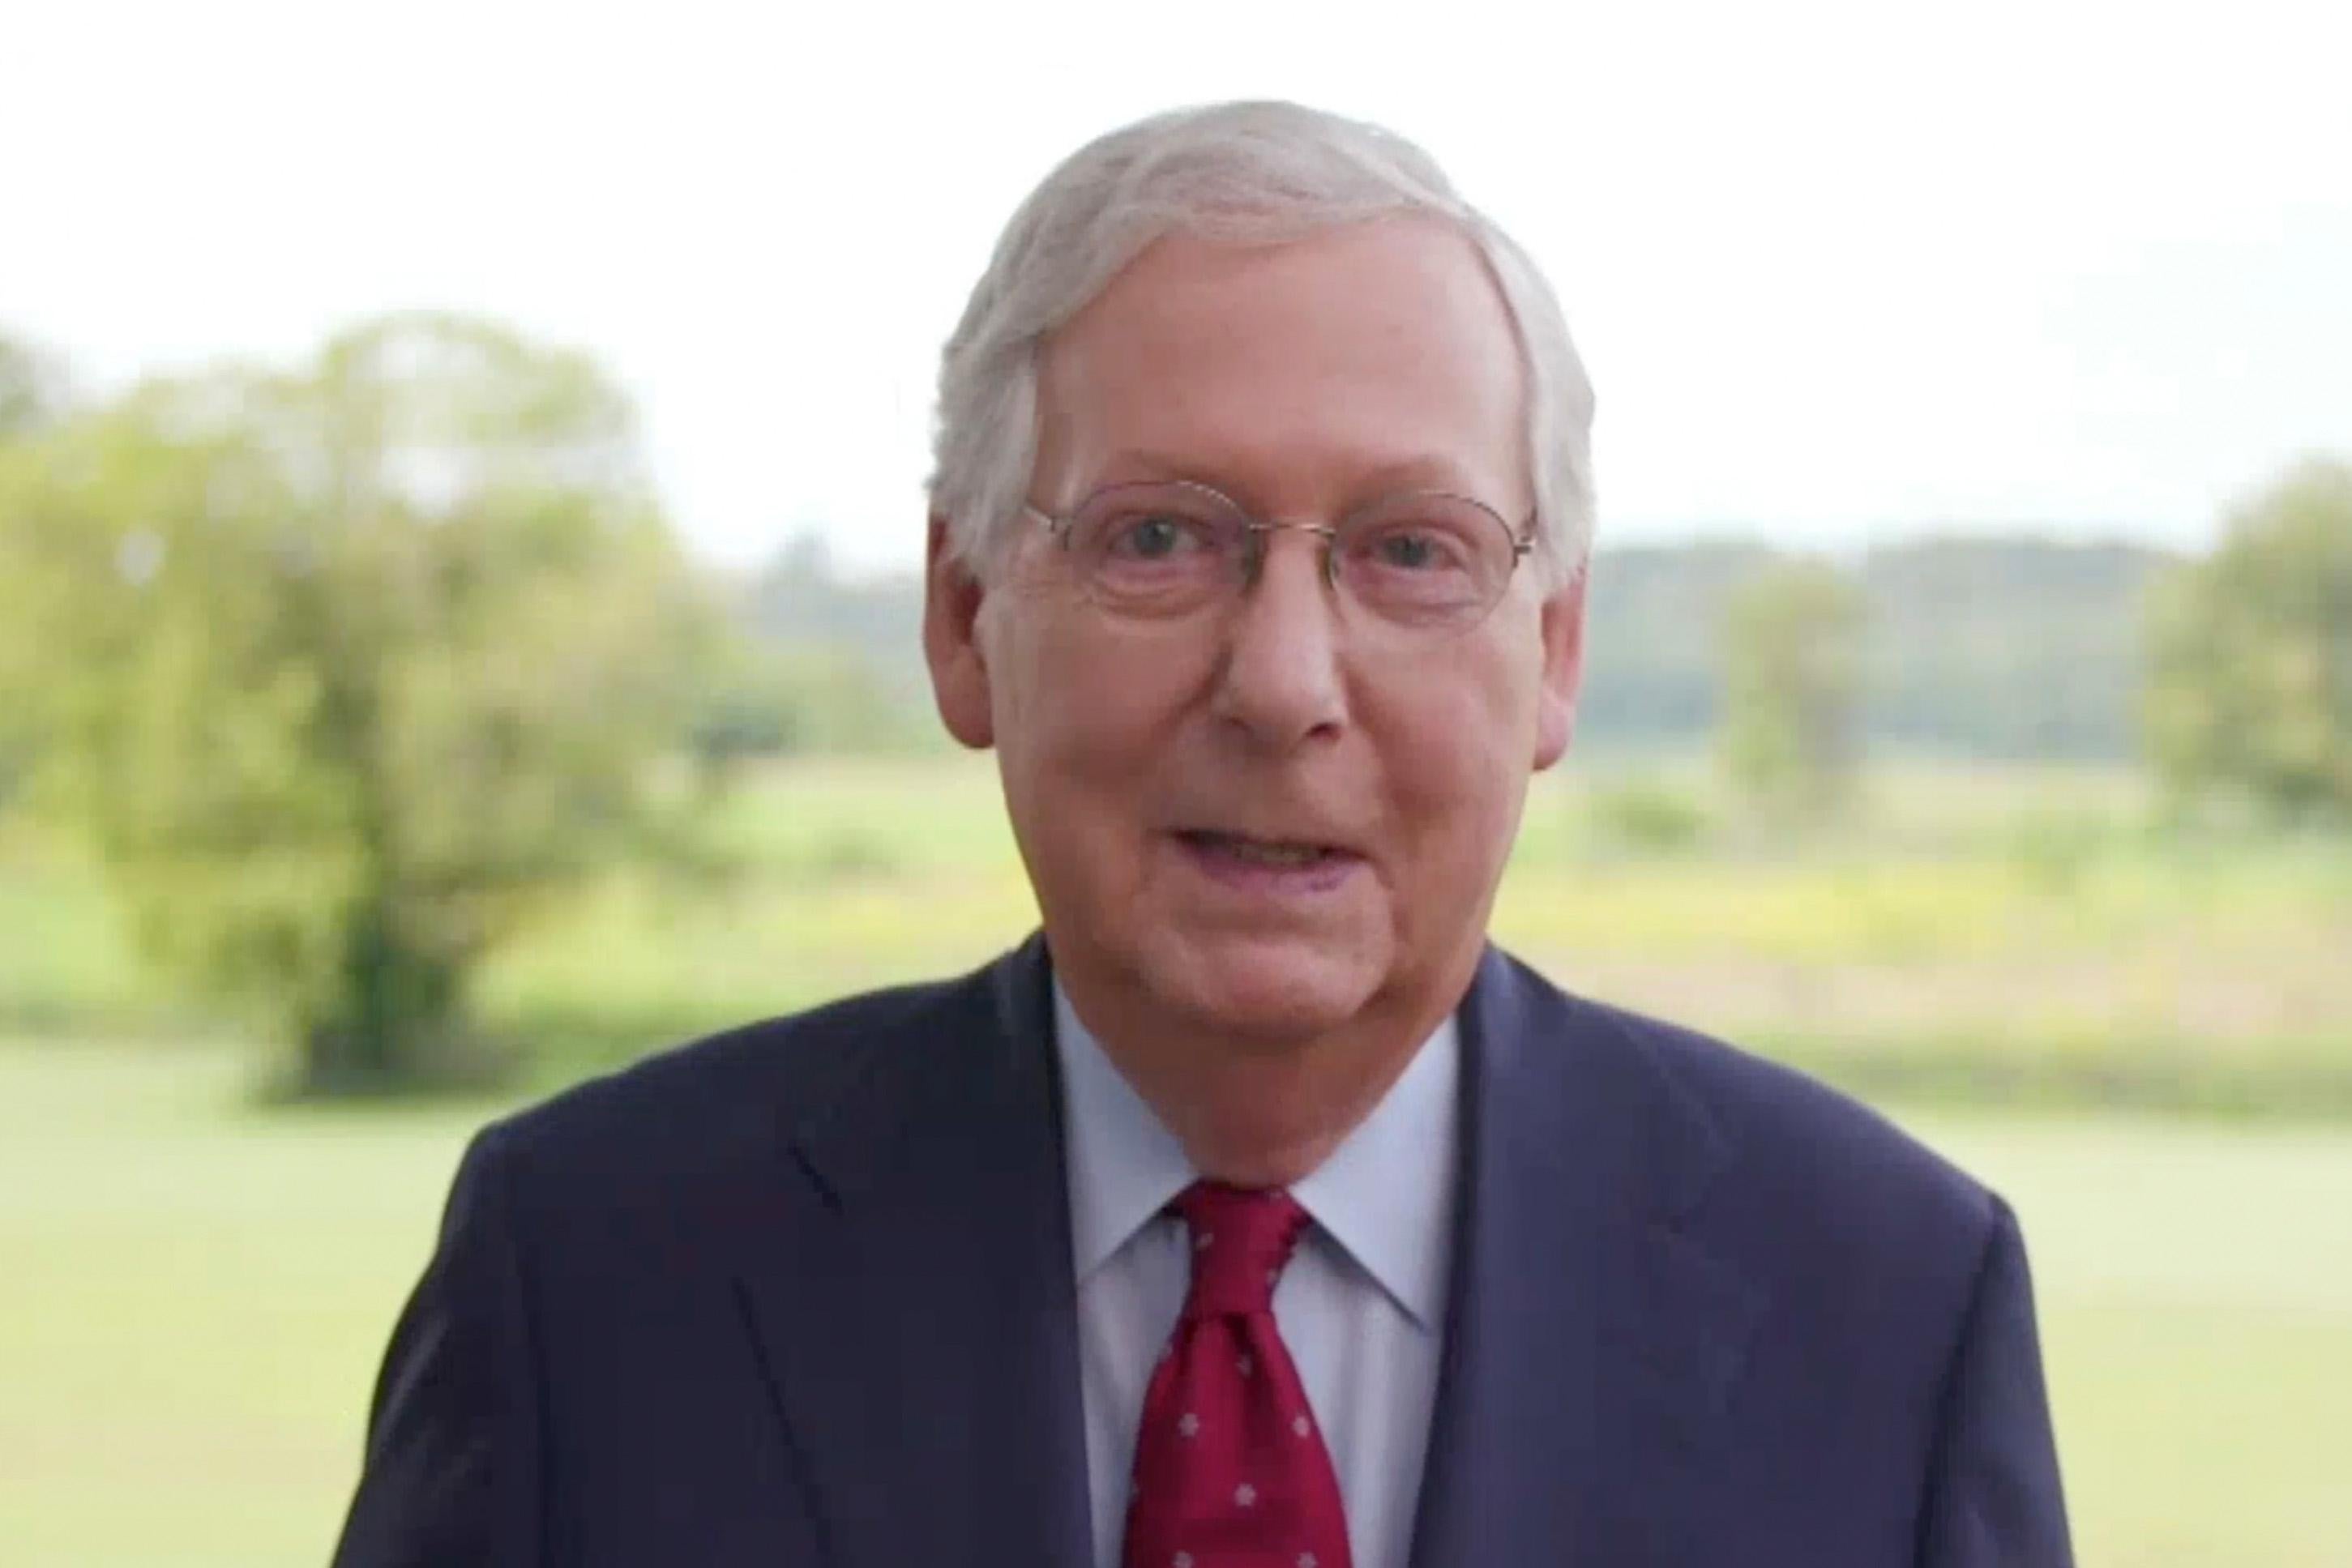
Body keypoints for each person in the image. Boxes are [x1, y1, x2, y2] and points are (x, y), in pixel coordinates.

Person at [331, 100, 2072, 1567]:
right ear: (960, 612)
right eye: (1159, 537)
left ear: (1549, 653)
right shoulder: (589, 1276)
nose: (1283, 681)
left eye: (1410, 549)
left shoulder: (1888, 1308)